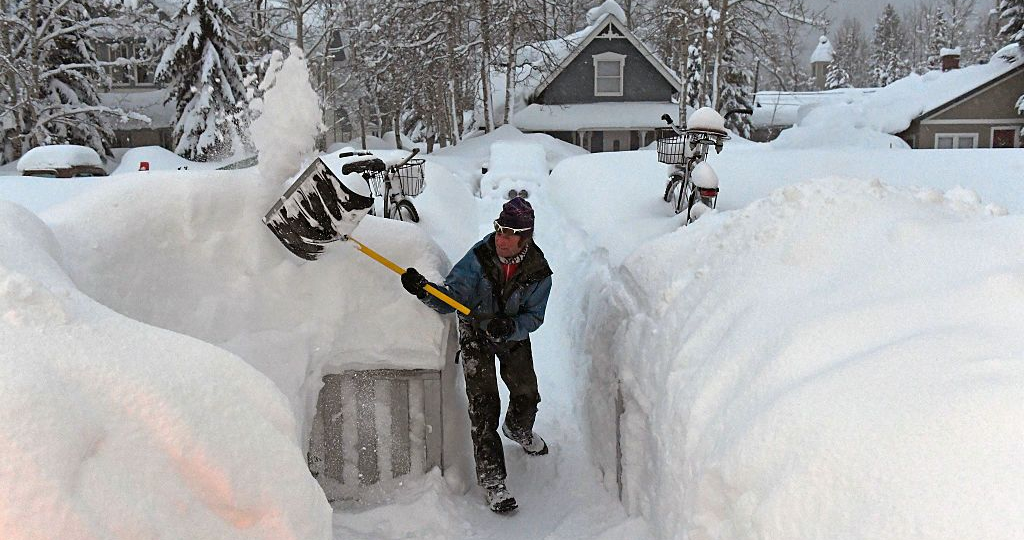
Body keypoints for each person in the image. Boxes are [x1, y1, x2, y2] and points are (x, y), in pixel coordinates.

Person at [400, 197, 553, 513]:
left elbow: (534, 317)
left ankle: (518, 430)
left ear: (525, 238)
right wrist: (424, 290)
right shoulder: (480, 258)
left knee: (526, 395)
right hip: (476, 333)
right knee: (483, 407)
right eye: (499, 229)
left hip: (511, 334)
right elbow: (451, 298)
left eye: (510, 233)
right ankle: (493, 482)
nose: (501, 239)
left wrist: (510, 326)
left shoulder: (538, 271)